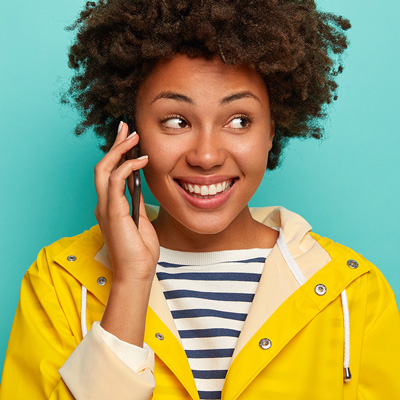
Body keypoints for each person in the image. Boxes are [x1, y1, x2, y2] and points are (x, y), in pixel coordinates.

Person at [1, 0, 399, 399]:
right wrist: (131, 281)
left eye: (239, 120)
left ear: (271, 133)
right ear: (128, 133)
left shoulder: (354, 292)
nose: (206, 156)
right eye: (176, 121)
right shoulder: (58, 283)